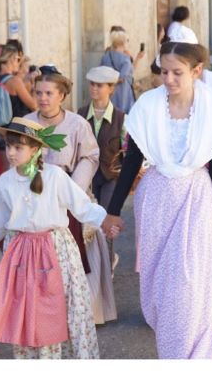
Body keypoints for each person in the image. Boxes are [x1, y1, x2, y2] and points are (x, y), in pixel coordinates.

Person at [103, 42, 212, 358]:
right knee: (160, 291)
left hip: (196, 200)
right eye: (164, 71)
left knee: (189, 286)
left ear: (196, 72)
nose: (168, 79)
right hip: (154, 200)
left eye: (176, 73)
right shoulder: (148, 107)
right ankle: (172, 351)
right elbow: (131, 160)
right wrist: (113, 211)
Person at [0, 118, 122, 359]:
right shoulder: (5, 182)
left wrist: (105, 221)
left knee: (62, 307)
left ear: (35, 149)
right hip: (21, 254)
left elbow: (81, 206)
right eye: (8, 146)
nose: (11, 153)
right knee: (29, 311)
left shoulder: (54, 176)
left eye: (18, 147)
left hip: (56, 250)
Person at [24, 69, 116, 325]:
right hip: (36, 197)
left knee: (76, 256)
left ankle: (83, 314)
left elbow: (90, 155)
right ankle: (44, 315)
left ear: (61, 95)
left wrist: (72, 191)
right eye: (39, 93)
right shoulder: (26, 123)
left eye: (49, 93)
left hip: (71, 195)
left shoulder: (77, 124)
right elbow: (16, 156)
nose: (43, 98)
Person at [79, 66, 127, 272]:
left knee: (106, 222)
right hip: (86, 179)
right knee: (85, 224)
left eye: (100, 85)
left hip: (110, 179)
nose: (94, 89)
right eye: (92, 84)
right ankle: (90, 265)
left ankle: (107, 266)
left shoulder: (121, 118)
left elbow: (126, 153)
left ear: (111, 89)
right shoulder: (80, 114)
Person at [0, 41, 37, 183]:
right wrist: (33, 86)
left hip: (2, 132)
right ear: (10, 59)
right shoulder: (15, 81)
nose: (18, 63)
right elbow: (33, 105)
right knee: (22, 174)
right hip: (19, 131)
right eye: (17, 59)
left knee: (8, 173)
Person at [101, 26, 144, 114]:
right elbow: (123, 76)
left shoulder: (106, 56)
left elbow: (101, 73)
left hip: (108, 92)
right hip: (123, 92)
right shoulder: (125, 59)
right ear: (123, 42)